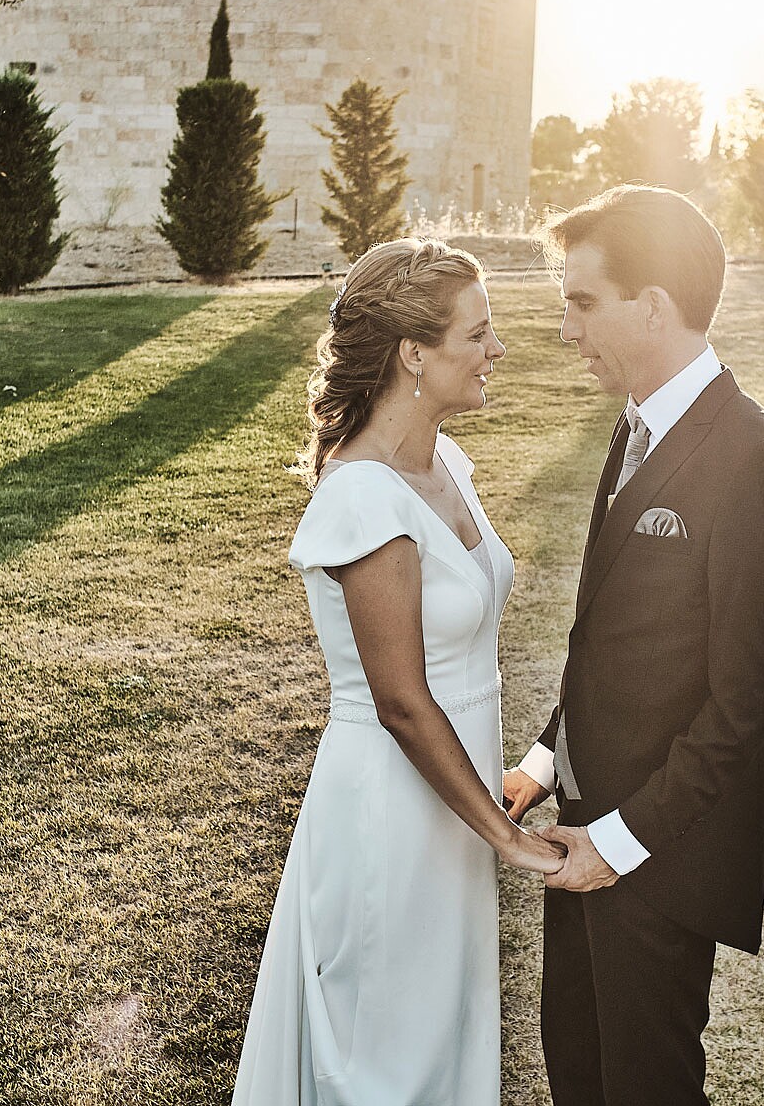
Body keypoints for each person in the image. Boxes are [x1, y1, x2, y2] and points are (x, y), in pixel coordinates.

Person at [233, 237, 565, 1105]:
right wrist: (505, 838)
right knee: (387, 1059)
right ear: (415, 353)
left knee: (440, 1038)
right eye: (479, 334)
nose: (498, 350)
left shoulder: (446, 462)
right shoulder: (362, 496)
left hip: (453, 811)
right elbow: (404, 702)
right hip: (391, 813)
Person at [502, 185, 764, 1106]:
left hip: (657, 857)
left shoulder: (756, 459)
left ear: (653, 307)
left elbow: (746, 700)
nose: (566, 331)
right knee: (580, 1079)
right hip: (581, 832)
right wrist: (541, 760)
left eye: (582, 302)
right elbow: (614, 638)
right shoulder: (635, 424)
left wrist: (619, 843)